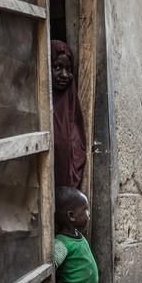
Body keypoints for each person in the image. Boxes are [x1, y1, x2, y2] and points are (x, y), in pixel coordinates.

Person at [51, 40, 87, 189]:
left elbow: (78, 147)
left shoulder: (72, 107)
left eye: (68, 69)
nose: (64, 75)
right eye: (57, 67)